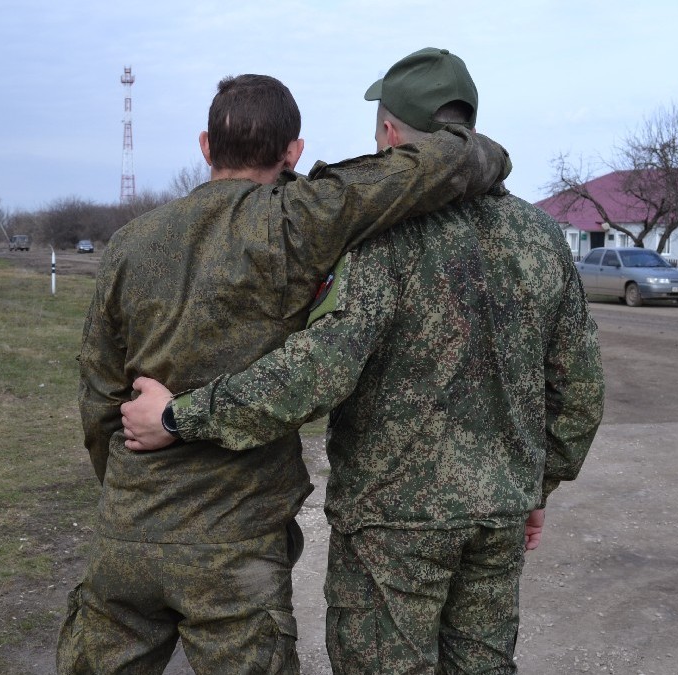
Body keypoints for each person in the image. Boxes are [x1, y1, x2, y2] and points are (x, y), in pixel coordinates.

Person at [121, 49, 604, 674]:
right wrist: (537, 485)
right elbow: (580, 390)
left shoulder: (379, 239)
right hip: (499, 514)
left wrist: (181, 417)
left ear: (391, 134)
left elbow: (316, 372)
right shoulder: (539, 237)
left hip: (392, 523)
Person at [58, 72, 511, 674]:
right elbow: (441, 164)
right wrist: (489, 152)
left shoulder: (127, 245)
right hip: (235, 545)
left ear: (204, 145)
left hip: (129, 532)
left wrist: (129, 492)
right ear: (293, 151)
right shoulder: (297, 221)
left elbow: (99, 399)